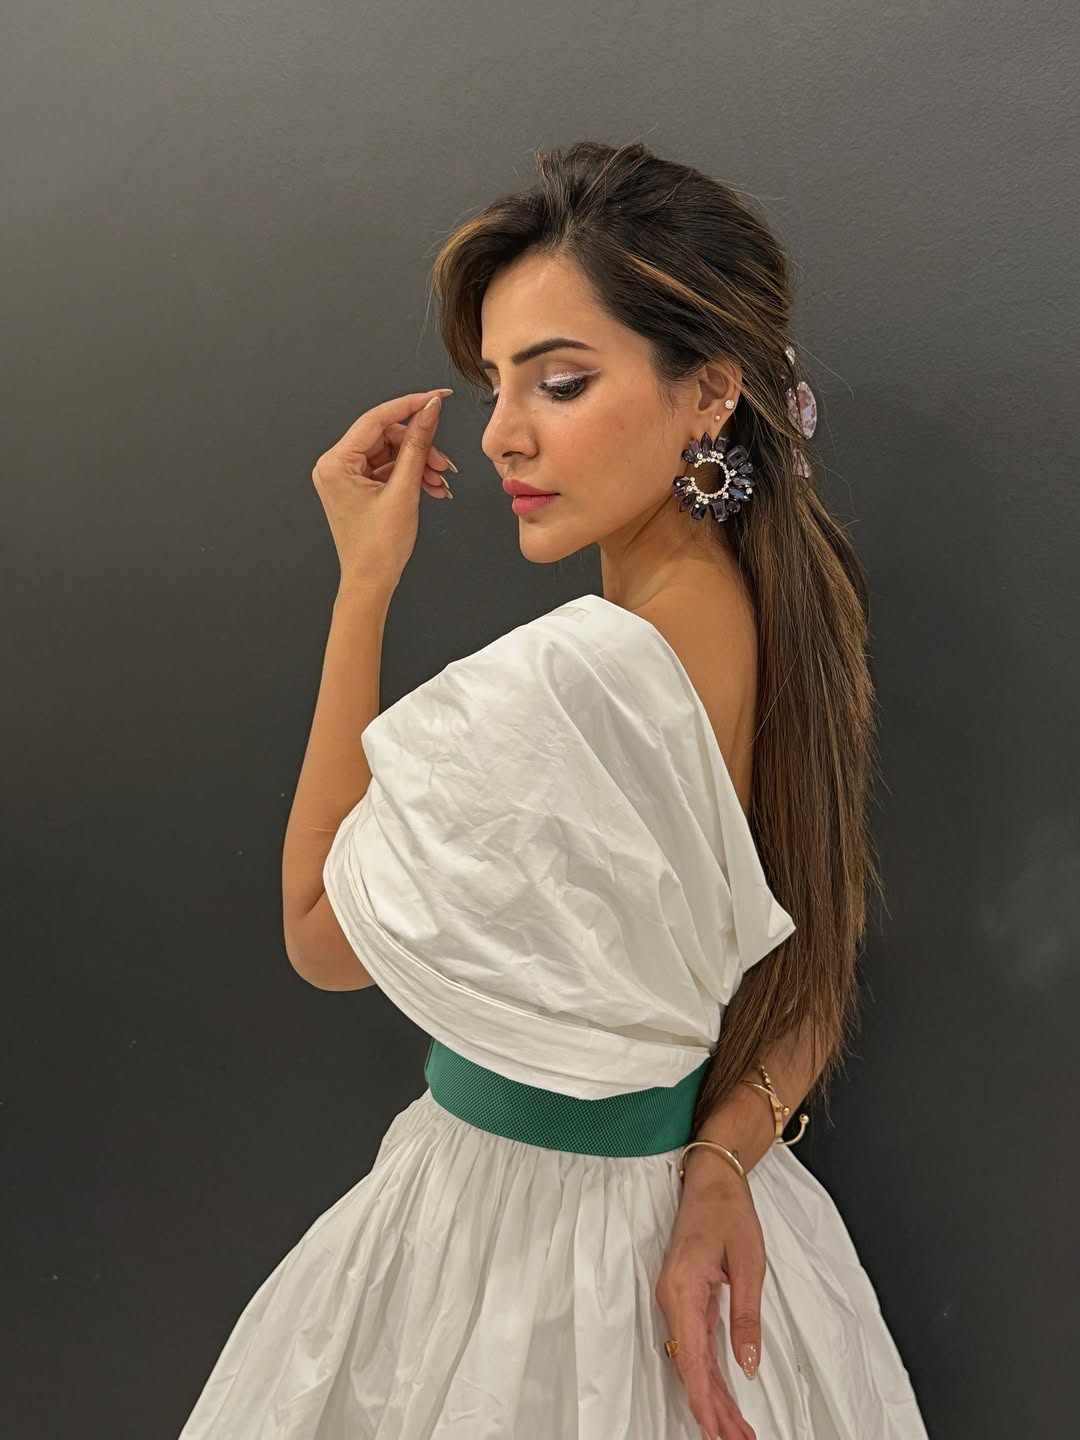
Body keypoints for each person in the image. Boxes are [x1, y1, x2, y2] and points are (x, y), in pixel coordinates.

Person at [179, 139, 930, 1439]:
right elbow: (813, 970)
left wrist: (364, 582)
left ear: (711, 391)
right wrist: (721, 1160)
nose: (504, 433)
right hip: (703, 1226)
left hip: (522, 1257)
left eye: (561, 380)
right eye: (495, 384)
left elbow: (318, 935)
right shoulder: (781, 622)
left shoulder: (585, 678)